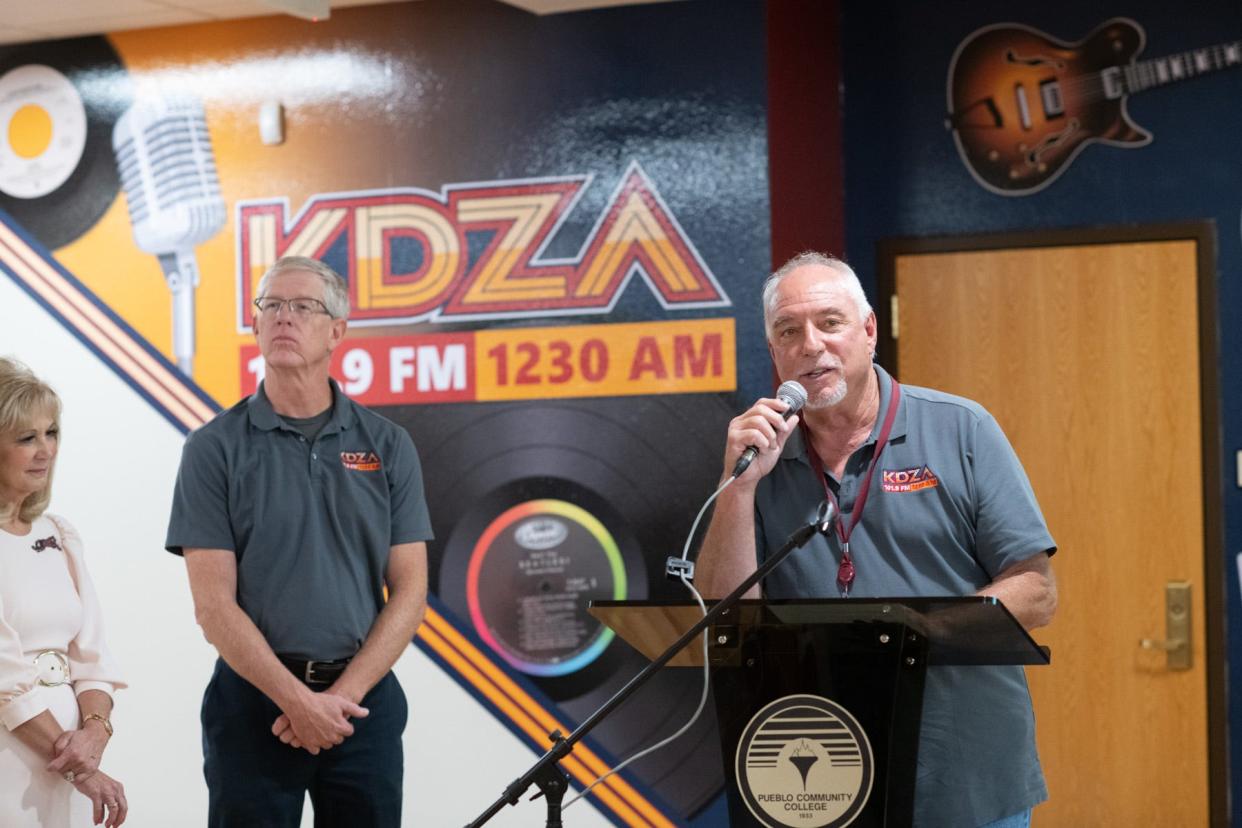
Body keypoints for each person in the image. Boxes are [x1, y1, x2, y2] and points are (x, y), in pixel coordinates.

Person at [696, 252, 1057, 828]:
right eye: (789, 332)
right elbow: (723, 616)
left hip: (960, 770)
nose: (810, 345)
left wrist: (912, 633)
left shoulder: (961, 428)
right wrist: (736, 489)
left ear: (868, 331)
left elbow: (1035, 593)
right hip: (816, 774)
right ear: (774, 354)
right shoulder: (756, 459)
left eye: (829, 323)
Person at [165, 256, 432, 827]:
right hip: (253, 704)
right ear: (257, 325)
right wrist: (296, 701)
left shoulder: (388, 444)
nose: (284, 318)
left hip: (362, 706)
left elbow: (410, 593)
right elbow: (213, 607)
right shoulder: (213, 449)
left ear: (337, 330)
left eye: (304, 307)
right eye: (272, 306)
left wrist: (336, 703)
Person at [0, 357, 128, 828]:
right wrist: (81, 768)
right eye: (26, 438)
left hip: (66, 765)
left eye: (51, 433)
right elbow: (4, 678)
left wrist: (94, 733)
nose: (45, 451)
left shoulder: (61, 534)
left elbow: (93, 657)